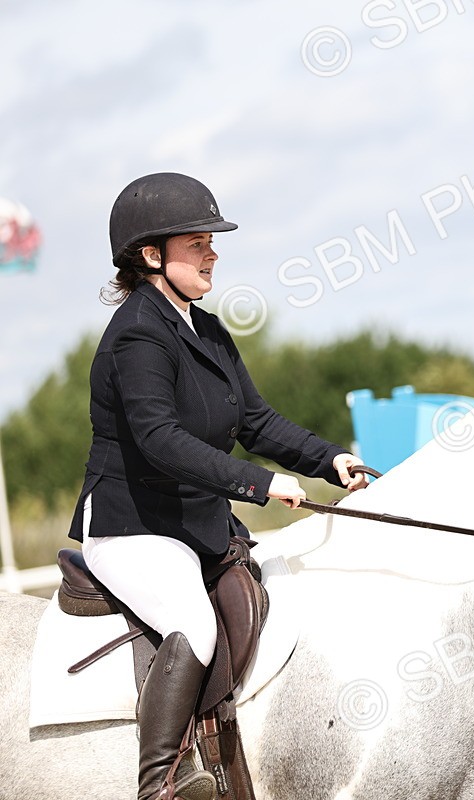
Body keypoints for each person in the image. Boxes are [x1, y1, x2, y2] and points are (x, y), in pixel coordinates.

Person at [67, 172, 368, 800]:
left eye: (212, 240)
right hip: (131, 527)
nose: (213, 252)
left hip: (194, 525)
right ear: (152, 255)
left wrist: (330, 459)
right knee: (192, 622)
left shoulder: (206, 331)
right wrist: (261, 486)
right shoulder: (135, 335)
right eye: (198, 241)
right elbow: (161, 441)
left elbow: (254, 422)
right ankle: (161, 785)